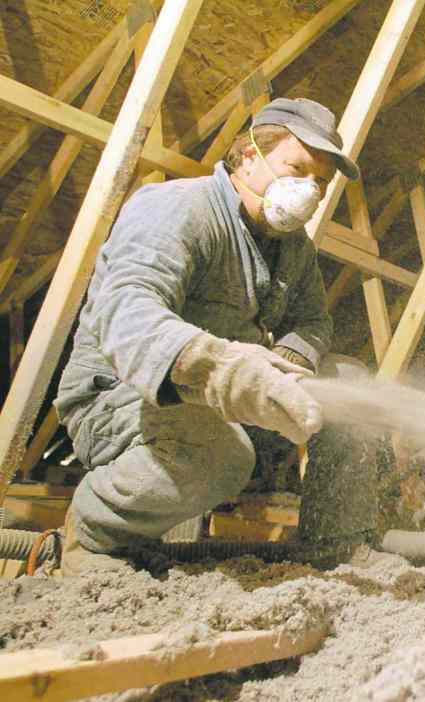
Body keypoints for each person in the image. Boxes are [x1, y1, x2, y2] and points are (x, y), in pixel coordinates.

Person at [54, 97, 378, 575]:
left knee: (351, 384)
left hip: (225, 396)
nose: (308, 190)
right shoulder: (177, 207)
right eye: (297, 169)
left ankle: (337, 544)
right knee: (220, 455)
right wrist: (224, 369)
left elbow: (313, 323)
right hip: (124, 395)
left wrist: (287, 365)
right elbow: (128, 312)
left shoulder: (294, 248)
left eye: (320, 182)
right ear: (247, 156)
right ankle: (96, 536)